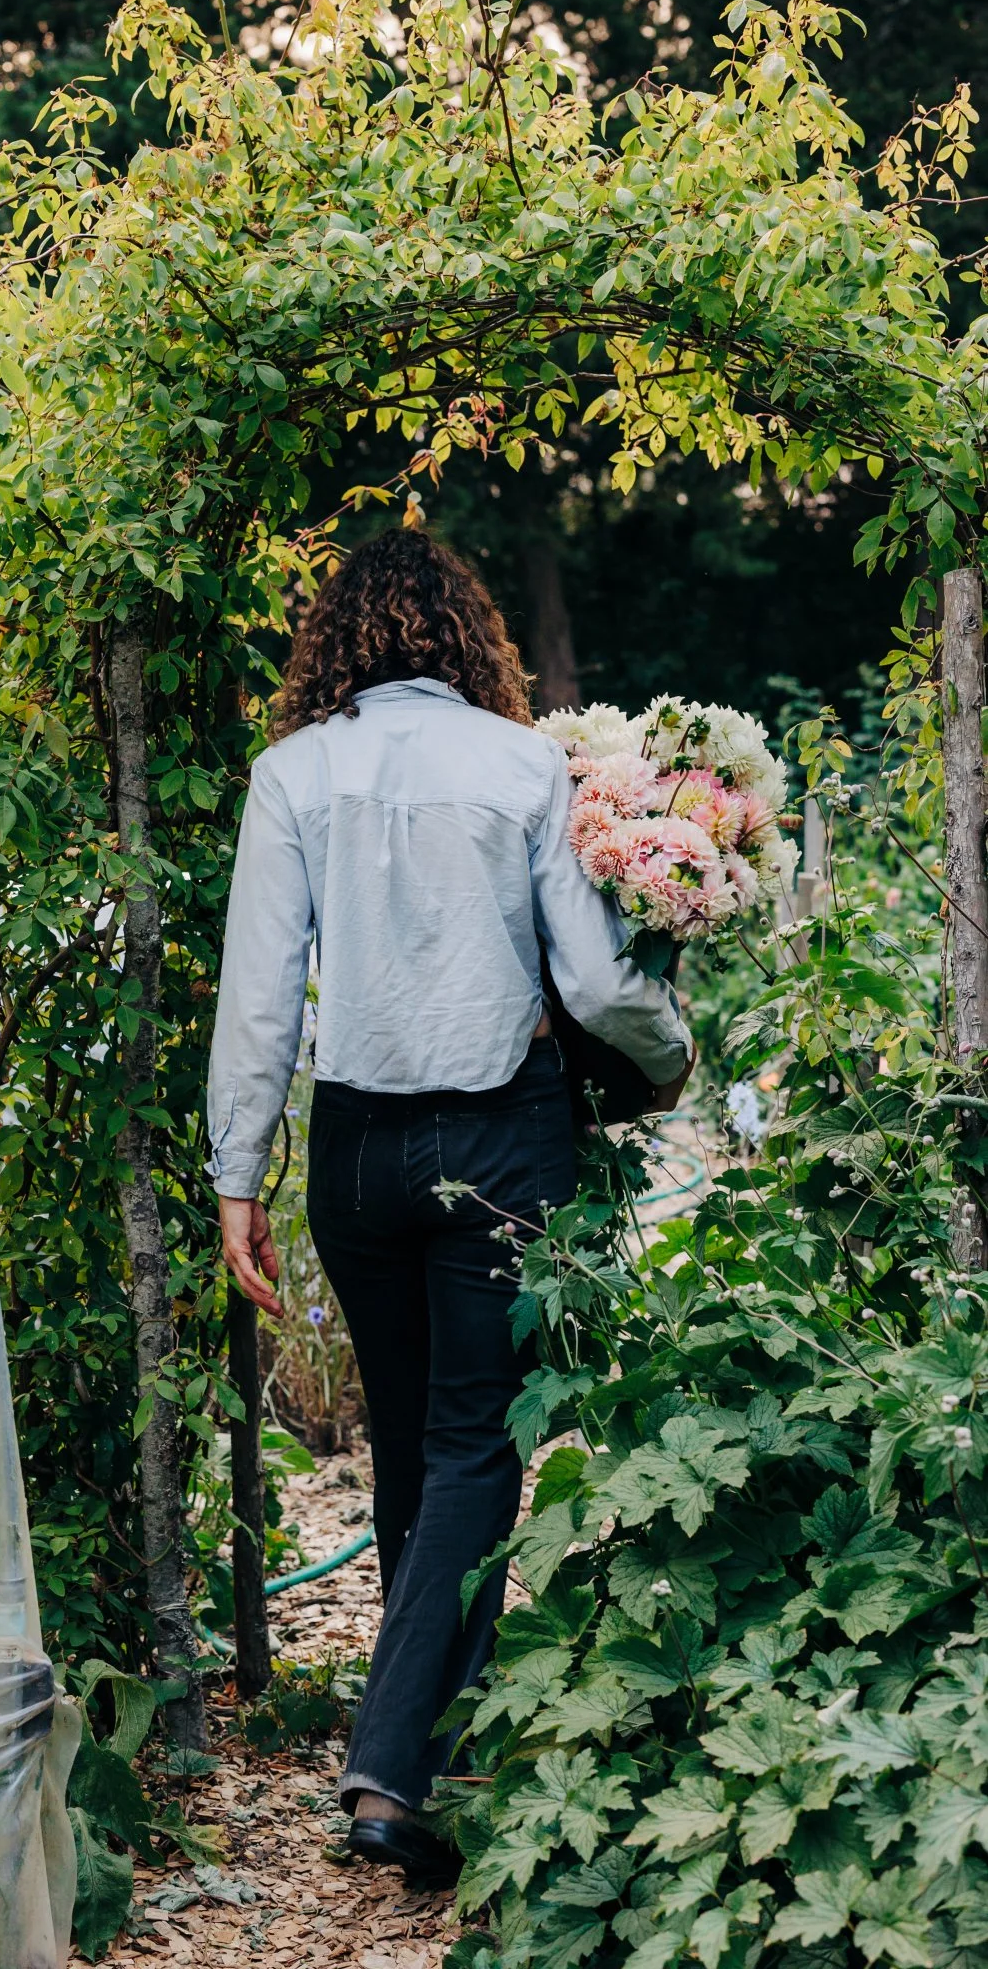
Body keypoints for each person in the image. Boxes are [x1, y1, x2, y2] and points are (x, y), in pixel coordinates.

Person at [206, 526, 693, 1881]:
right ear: (469, 637)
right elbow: (595, 989)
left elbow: (257, 999)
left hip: (355, 1150)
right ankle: (393, 1766)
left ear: (340, 644)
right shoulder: (523, 762)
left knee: (424, 1444)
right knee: (478, 1445)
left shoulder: (291, 771)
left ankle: (431, 1737)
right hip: (499, 1133)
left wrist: (236, 1176)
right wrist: (674, 1051)